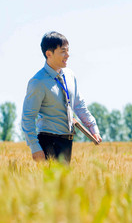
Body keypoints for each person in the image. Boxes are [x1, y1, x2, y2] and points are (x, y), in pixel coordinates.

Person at [22, 31, 102, 163]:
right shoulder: (38, 82)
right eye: (63, 51)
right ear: (49, 54)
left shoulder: (70, 76)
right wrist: (35, 147)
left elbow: (78, 105)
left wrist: (93, 127)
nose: (68, 55)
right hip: (48, 141)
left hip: (67, 141)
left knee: (64, 183)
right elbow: (28, 117)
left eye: (68, 50)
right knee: (50, 183)